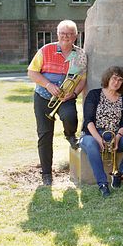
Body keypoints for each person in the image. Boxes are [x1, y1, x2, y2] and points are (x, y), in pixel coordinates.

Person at [27, 19, 87, 186]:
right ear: (57, 34)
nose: (65, 37)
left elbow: (82, 79)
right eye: (62, 34)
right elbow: (32, 72)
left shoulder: (81, 55)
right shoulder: (46, 50)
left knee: (70, 117)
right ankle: (46, 173)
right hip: (43, 97)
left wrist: (73, 93)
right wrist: (48, 84)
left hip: (66, 98)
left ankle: (70, 135)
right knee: (45, 135)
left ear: (75, 36)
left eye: (69, 34)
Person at [79, 66, 123, 197]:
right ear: (108, 78)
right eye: (114, 78)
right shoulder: (94, 94)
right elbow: (88, 121)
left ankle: (119, 174)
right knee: (91, 145)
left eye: (120, 80)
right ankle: (102, 184)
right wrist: (98, 139)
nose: (116, 82)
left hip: (114, 137)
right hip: (92, 135)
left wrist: (118, 138)